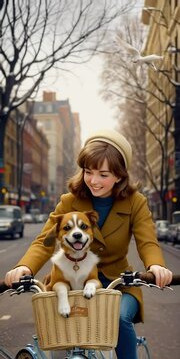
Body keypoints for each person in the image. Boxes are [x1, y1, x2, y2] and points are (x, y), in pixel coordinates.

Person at [5, 129, 172, 359]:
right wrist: (24, 268)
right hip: (70, 282)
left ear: (120, 176)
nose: (94, 181)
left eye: (103, 174)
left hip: (119, 284)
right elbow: (45, 242)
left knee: (119, 318)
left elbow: (148, 242)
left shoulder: (136, 202)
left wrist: (155, 267)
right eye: (88, 172)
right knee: (57, 330)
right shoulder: (69, 201)